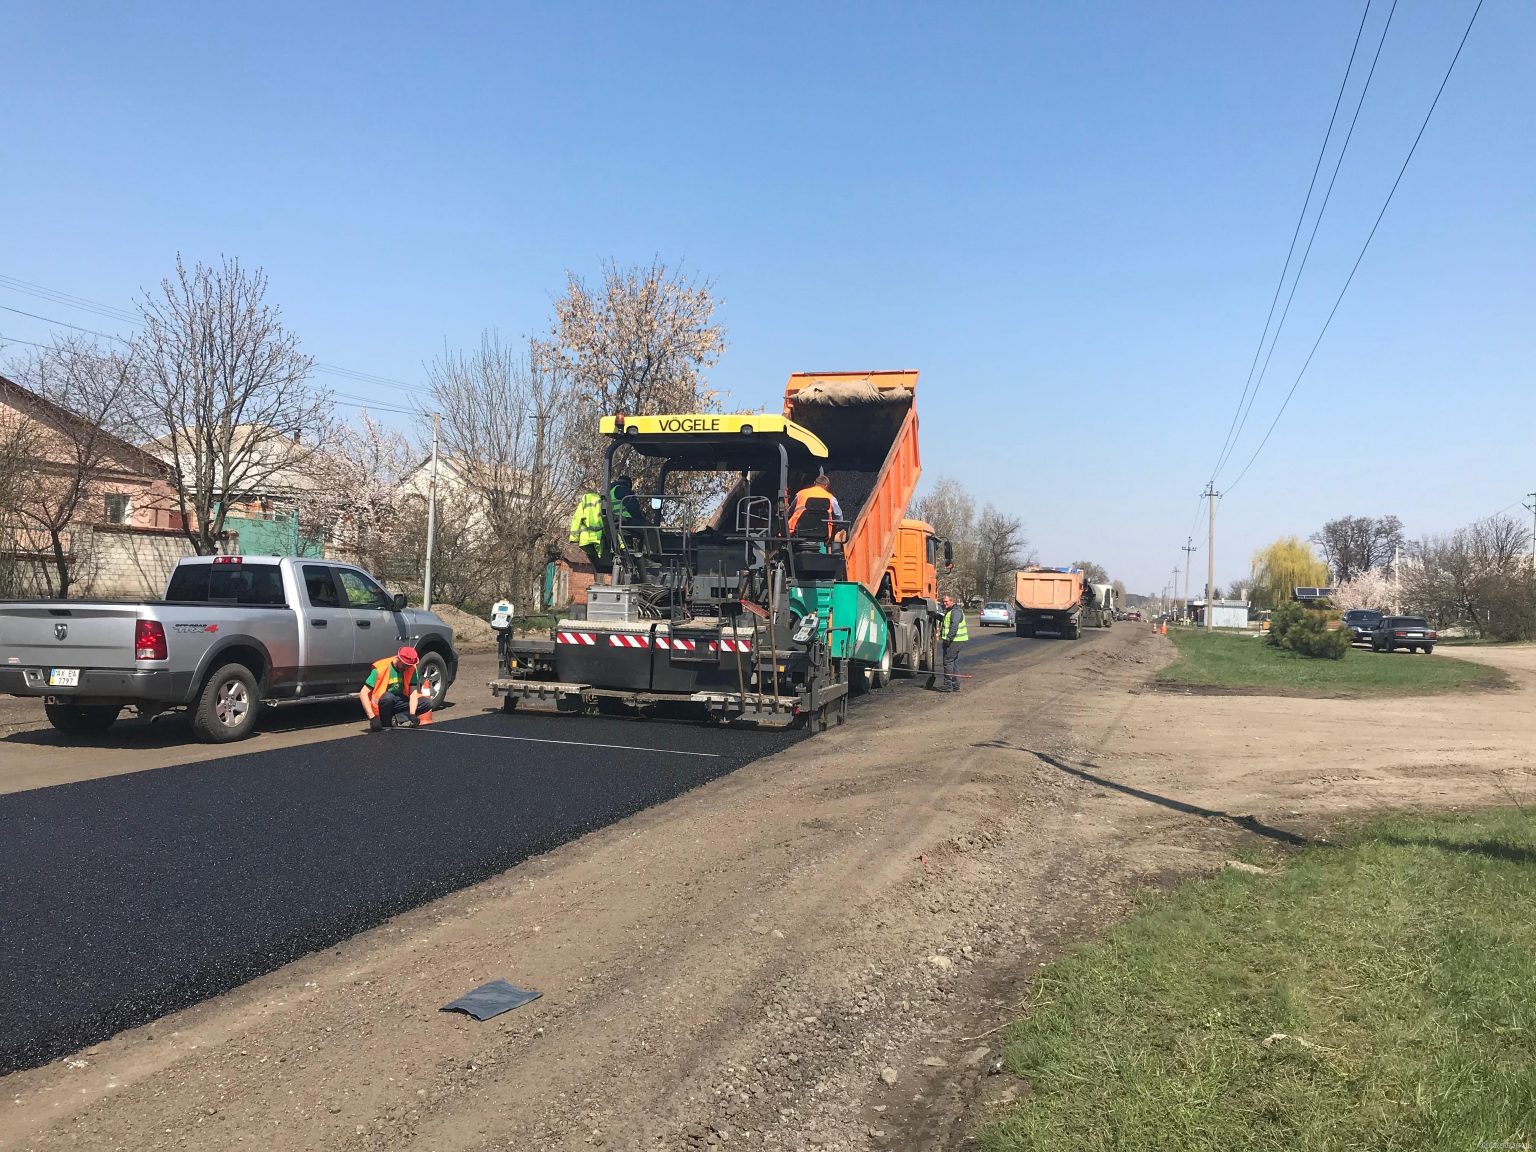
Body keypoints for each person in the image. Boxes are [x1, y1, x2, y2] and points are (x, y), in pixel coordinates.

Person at [360, 645, 434, 731]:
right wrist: (372, 717)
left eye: (409, 666)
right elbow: (363, 693)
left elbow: (413, 693)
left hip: (400, 699)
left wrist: (412, 714)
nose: (407, 668)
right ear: (398, 658)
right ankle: (385, 724)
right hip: (382, 704)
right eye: (405, 665)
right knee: (388, 697)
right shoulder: (380, 669)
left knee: (426, 703)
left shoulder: (411, 668)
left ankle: (396, 718)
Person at [788, 470, 844, 540]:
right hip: (822, 532)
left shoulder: (800, 494)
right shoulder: (831, 498)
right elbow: (838, 516)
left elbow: (790, 512)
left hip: (798, 529)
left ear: (814, 483)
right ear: (826, 486)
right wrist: (839, 527)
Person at [568, 488, 606, 568]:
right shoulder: (601, 501)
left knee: (593, 557)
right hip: (598, 537)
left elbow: (576, 519)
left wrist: (574, 538)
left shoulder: (583, 502)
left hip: (585, 538)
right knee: (601, 557)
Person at [939, 593, 969, 692]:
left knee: (948, 661)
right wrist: (935, 616)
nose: (944, 603)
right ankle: (955, 685)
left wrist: (948, 638)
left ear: (952, 601)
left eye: (946, 601)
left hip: (955, 641)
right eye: (943, 602)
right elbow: (946, 621)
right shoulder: (950, 611)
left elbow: (954, 626)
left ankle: (948, 685)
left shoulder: (955, 612)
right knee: (954, 662)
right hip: (956, 640)